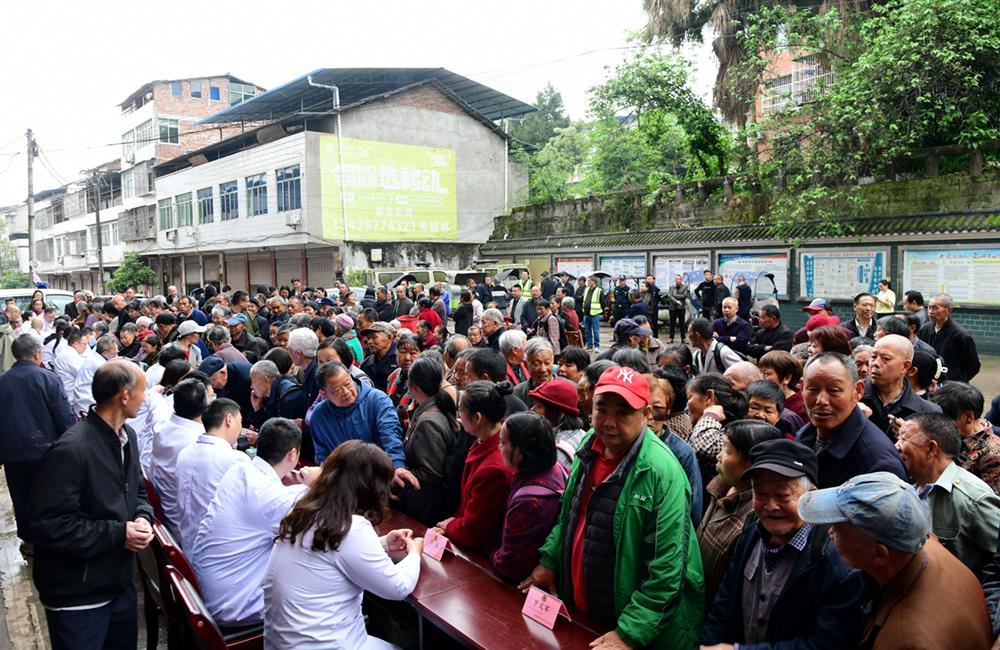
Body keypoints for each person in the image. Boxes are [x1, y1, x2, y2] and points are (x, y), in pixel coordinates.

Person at [520, 366, 704, 649]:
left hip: (634, 629)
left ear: (645, 415)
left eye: (622, 413)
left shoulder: (660, 473)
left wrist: (629, 633)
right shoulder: (588, 445)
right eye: (602, 409)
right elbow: (569, 513)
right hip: (585, 615)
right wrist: (550, 559)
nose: (609, 422)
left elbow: (666, 568)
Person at [27, 361, 154, 649]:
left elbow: (137, 491)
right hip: (78, 595)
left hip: (117, 583)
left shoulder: (127, 437)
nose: (145, 398)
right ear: (124, 396)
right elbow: (48, 525)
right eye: (142, 391)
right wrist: (119, 533)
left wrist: (142, 517)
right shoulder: (71, 450)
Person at [699, 439, 870, 649]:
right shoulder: (751, 530)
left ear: (811, 496)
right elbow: (725, 602)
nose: (771, 506)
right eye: (761, 494)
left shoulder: (837, 562)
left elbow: (825, 644)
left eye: (783, 495)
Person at [798, 471, 993, 650]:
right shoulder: (922, 544)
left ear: (880, 554)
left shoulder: (906, 640)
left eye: (838, 529)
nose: (830, 533)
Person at [264, 440, 423, 649]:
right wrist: (415, 553)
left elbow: (328, 550)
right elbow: (397, 587)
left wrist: (383, 543)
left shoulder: (303, 506)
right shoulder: (352, 527)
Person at [191, 418, 316, 628]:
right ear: (293, 454)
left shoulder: (239, 470)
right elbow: (320, 525)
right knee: (320, 585)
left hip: (210, 590)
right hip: (233, 605)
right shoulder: (273, 496)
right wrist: (317, 482)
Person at [895, 412, 1000, 578]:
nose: (897, 446)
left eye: (904, 439)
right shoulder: (907, 487)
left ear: (931, 448)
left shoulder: (973, 500)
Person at [0, 336, 75, 549]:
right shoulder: (48, 378)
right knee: (47, 495)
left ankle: (29, 538)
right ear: (37, 354)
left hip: (12, 452)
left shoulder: (2, 380)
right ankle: (48, 537)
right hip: (45, 451)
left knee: (20, 495)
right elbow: (63, 417)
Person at [697, 419, 783, 603]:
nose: (719, 456)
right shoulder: (720, 489)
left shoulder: (754, 517)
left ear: (752, 463)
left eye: (727, 450)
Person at [796, 352, 908, 488]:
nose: (821, 400)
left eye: (834, 391)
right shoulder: (804, 437)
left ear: (857, 392)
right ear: (801, 388)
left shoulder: (878, 464)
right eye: (813, 389)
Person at [309, 361, 416, 497]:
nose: (346, 392)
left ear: (351, 376)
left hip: (379, 482)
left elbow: (390, 434)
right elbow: (323, 455)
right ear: (323, 393)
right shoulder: (319, 415)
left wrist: (397, 465)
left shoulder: (377, 399)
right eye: (336, 390)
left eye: (347, 384)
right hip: (344, 488)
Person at [433, 380, 516, 554]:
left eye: (461, 410)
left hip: (482, 551)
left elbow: (475, 529)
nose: (459, 416)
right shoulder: (484, 441)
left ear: (477, 418)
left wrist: (450, 526)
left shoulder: (494, 468)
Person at [174, 398, 249, 550]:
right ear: (229, 419)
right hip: (218, 550)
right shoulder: (236, 460)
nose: (240, 428)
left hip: (186, 543)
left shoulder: (184, 452)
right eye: (240, 422)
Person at [397, 356, 461, 526]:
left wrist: (402, 472)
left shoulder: (429, 422)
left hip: (426, 505)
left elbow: (432, 473)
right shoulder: (429, 408)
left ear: (414, 387)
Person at [150, 375, 211, 536]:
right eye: (211, 397)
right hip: (184, 526)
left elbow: (157, 404)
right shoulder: (199, 442)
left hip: (165, 510)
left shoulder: (162, 425)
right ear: (205, 407)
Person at [860, 334, 941, 437]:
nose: (875, 363)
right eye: (873, 357)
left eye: (885, 358)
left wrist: (911, 440)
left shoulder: (928, 412)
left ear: (905, 366)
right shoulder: (852, 396)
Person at [932, 382, 1000, 495]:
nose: (938, 424)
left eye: (946, 420)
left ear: (968, 417)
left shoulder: (993, 454)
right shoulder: (948, 434)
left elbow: (989, 502)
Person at [687, 372, 750, 488]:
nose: (687, 407)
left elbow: (703, 448)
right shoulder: (705, 425)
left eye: (690, 397)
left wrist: (710, 415)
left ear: (709, 396)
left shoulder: (729, 429)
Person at [918, 293, 981, 382]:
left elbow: (973, 366)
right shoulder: (924, 329)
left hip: (951, 384)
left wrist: (958, 380)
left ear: (949, 310)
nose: (931, 311)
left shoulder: (961, 335)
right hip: (930, 382)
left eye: (935, 308)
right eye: (929, 307)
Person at [528, 378, 588, 471]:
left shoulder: (557, 449)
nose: (532, 410)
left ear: (560, 413)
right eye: (534, 404)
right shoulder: (582, 433)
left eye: (539, 406)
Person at [248, 359, 306, 429]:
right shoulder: (270, 394)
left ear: (265, 380)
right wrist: (257, 408)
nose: (251, 386)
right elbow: (268, 426)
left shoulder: (289, 397)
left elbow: (285, 432)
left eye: (253, 381)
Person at [71, 334, 119, 417]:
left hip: (82, 400)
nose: (117, 353)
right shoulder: (101, 365)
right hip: (88, 403)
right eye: (115, 351)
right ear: (105, 353)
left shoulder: (93, 356)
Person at [759, 350, 806, 419]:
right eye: (760, 373)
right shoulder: (764, 399)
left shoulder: (800, 409)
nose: (760, 378)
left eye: (766, 374)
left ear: (786, 378)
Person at [512, 337, 555, 410]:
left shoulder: (567, 389)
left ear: (553, 361)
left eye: (547, 363)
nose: (543, 369)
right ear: (526, 364)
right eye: (536, 364)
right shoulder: (518, 393)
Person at [665, 274, 690, 343]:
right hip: (672, 307)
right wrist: (676, 301)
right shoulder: (671, 287)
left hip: (681, 307)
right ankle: (671, 338)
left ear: (681, 280)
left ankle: (683, 338)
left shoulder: (685, 287)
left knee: (682, 323)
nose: (678, 280)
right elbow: (670, 296)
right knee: (672, 323)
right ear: (675, 280)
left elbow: (684, 296)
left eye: (679, 279)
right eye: (677, 279)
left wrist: (675, 295)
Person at [581, 275, 603, 350]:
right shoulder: (586, 289)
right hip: (586, 313)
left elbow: (602, 302)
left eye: (589, 281)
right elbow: (583, 299)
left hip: (595, 313)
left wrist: (602, 311)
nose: (588, 282)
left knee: (595, 331)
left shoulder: (599, 290)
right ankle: (589, 345)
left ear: (594, 282)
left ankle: (597, 345)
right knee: (587, 330)